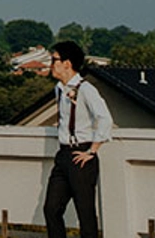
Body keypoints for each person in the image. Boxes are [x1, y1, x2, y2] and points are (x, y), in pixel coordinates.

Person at [43, 41, 112, 238]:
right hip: (63, 155)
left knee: (86, 213)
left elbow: (104, 118)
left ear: (67, 63)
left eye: (54, 60)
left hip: (81, 155)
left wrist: (92, 150)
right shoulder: (59, 89)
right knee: (51, 209)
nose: (51, 64)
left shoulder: (85, 88)